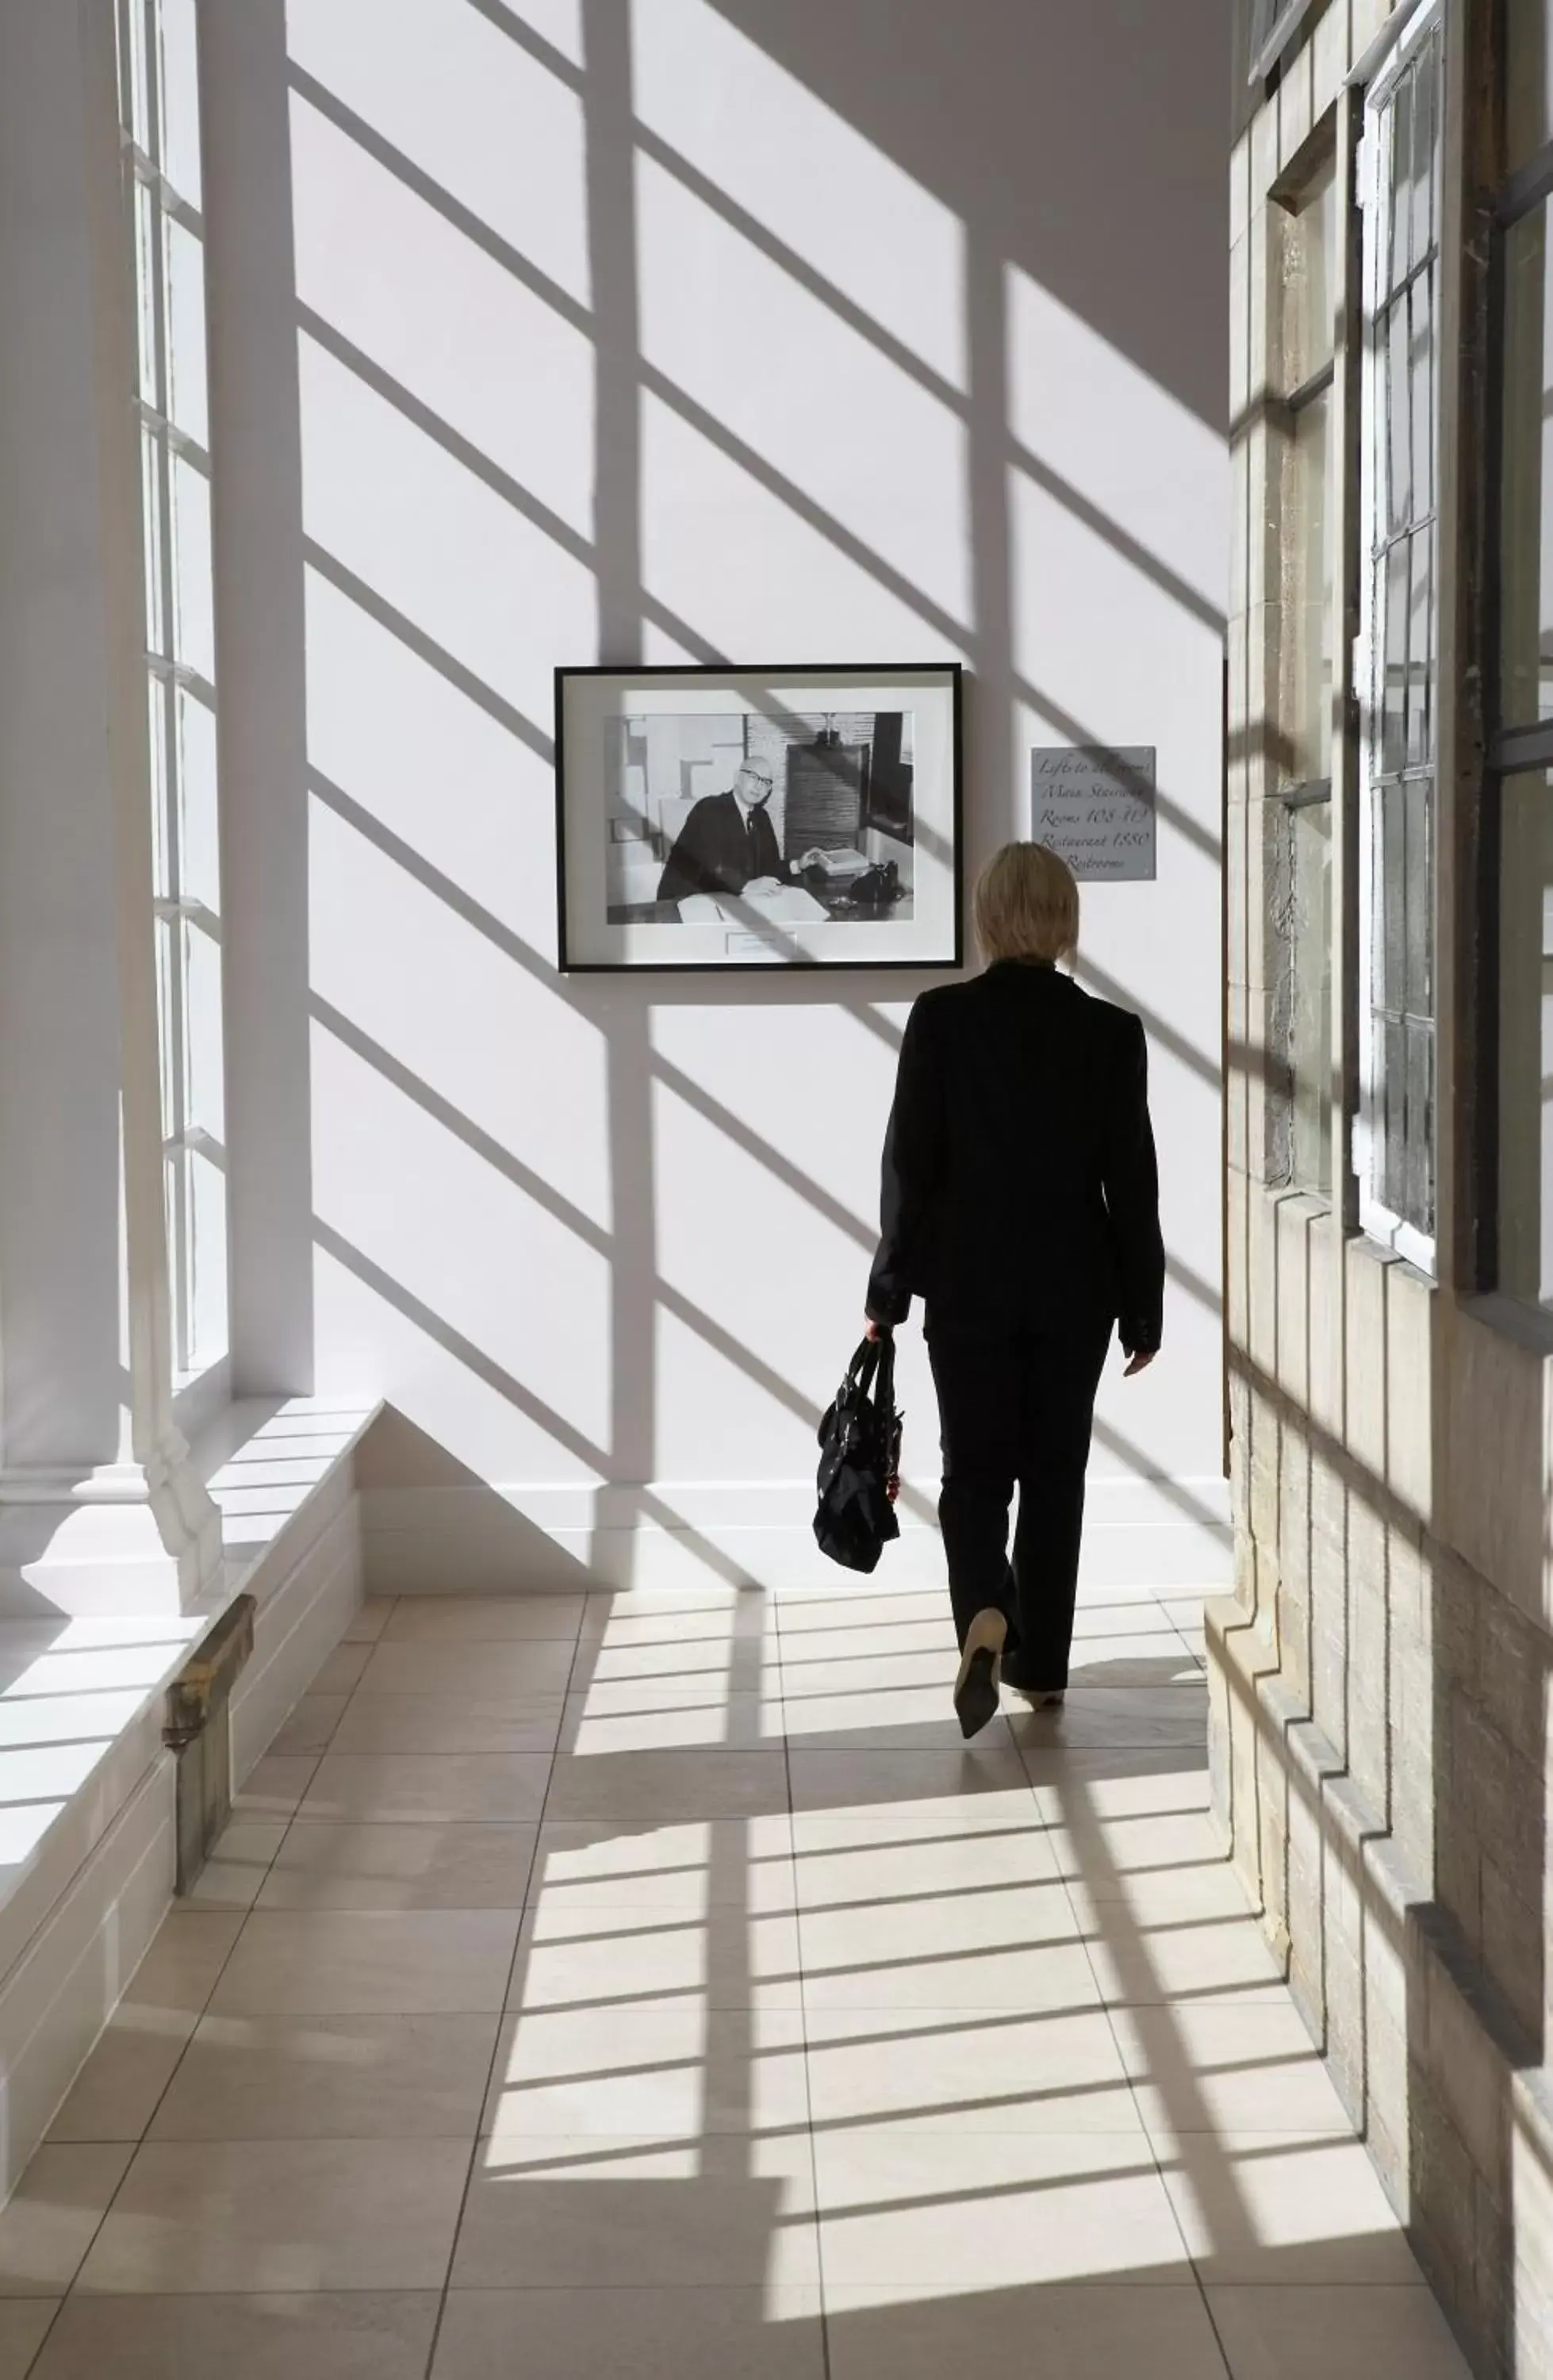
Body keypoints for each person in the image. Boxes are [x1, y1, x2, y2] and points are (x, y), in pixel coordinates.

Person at [864, 841, 1164, 1739]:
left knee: (973, 1473)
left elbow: (908, 1170)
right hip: (1077, 1288)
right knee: (1054, 1475)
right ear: (1065, 922)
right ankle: (1041, 1668)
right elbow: (1132, 1181)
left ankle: (985, 1613)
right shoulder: (1111, 1035)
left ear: (988, 919)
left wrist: (887, 1293)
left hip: (967, 1286)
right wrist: (1143, 1305)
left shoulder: (940, 1020)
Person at [657, 758, 825, 901]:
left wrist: (798, 865)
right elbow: (710, 864)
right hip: (685, 899)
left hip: (731, 899)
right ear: (738, 777)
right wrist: (747, 885)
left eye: (766, 782)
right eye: (753, 777)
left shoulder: (762, 817)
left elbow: (768, 866)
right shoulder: (709, 808)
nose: (759, 786)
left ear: (768, 791)